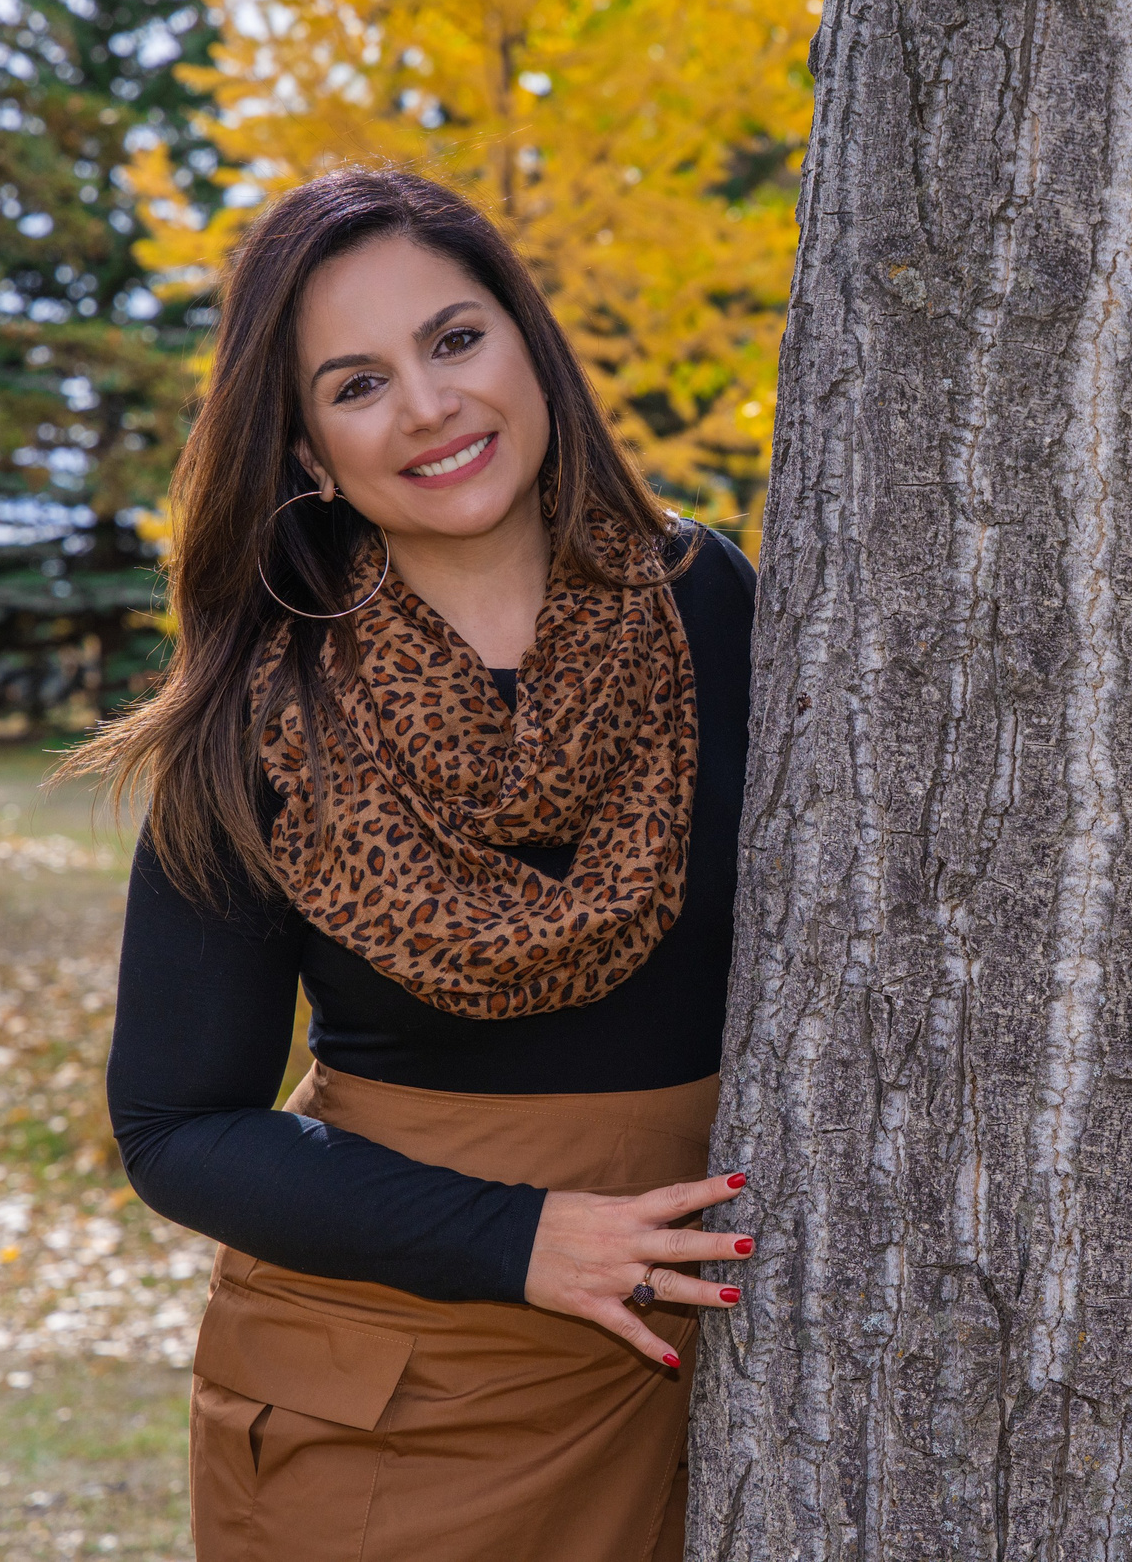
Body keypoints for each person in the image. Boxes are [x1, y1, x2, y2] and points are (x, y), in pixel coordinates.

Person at [69, 168, 754, 1562]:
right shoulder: (262, 717)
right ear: (310, 448)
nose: (433, 407)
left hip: (705, 1372)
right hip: (388, 1404)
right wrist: (514, 1240)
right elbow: (176, 1128)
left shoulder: (712, 608)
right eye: (358, 382)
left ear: (527, 342)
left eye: (455, 340)